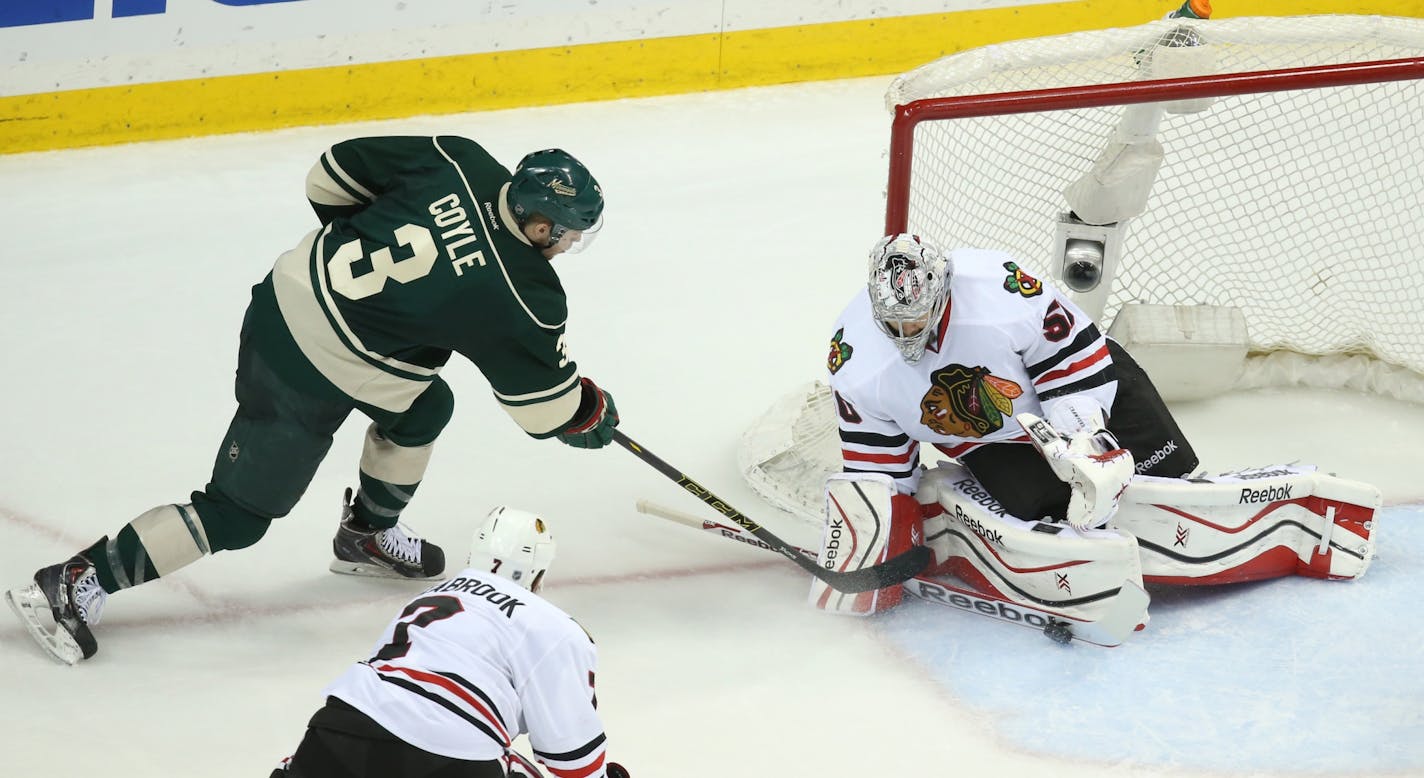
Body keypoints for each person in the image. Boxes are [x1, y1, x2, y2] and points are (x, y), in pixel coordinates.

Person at [5, 136, 621, 665]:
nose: (567, 247)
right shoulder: (524, 293)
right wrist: (587, 413)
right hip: (306, 369)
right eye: (567, 235)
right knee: (238, 515)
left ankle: (367, 535)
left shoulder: (460, 159)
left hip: (285, 294)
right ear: (542, 226)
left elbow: (330, 174)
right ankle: (76, 580)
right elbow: (543, 413)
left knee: (424, 406)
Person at [809, 234, 1378, 625]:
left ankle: (1275, 504)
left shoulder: (1002, 289)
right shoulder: (856, 359)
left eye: (916, 315)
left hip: (1092, 390)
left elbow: (1075, 360)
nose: (906, 330)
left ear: (945, 287)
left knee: (1166, 477)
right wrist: (871, 540)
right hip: (994, 442)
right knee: (1049, 510)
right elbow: (879, 467)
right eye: (893, 321)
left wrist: (1079, 441)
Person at [272, 507, 630, 778]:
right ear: (537, 573)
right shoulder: (553, 626)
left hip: (338, 728)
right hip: (446, 757)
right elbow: (573, 762)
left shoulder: (429, 596)